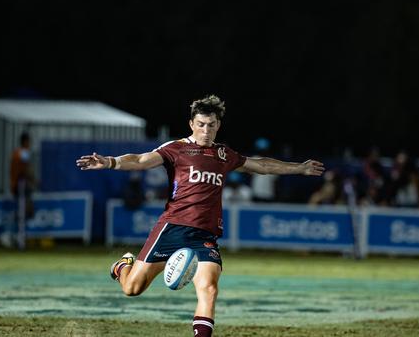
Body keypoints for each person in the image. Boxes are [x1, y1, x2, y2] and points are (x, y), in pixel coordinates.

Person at [76, 95, 324, 337]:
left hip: (204, 235)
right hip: (172, 228)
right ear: (192, 124)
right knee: (132, 289)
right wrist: (110, 162)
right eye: (201, 125)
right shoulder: (176, 149)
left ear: (219, 126)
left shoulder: (224, 155)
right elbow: (140, 160)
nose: (206, 130)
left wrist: (299, 168)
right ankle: (122, 266)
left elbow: (262, 165)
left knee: (209, 288)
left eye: (212, 125)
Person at [5, 132, 36, 249]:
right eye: (29, 142)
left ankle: (18, 237)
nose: (30, 144)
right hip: (21, 184)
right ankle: (19, 240)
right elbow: (25, 169)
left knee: (25, 211)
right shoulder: (22, 152)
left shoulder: (17, 153)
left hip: (19, 184)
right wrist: (33, 180)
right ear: (24, 142)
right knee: (23, 213)